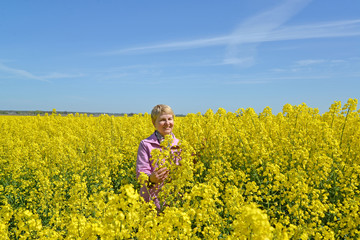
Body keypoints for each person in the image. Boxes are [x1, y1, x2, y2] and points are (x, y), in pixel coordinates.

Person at [136, 104, 180, 211]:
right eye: (162, 120)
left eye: (170, 119)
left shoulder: (180, 145)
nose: (167, 123)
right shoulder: (146, 144)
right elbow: (140, 174)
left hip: (175, 203)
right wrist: (151, 178)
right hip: (151, 204)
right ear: (153, 123)